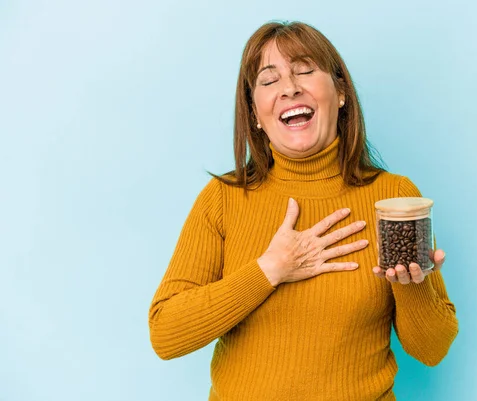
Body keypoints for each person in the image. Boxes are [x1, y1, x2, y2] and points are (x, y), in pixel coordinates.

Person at [148, 20, 458, 400]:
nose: (289, 87)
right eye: (268, 80)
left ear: (340, 91)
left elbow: (432, 350)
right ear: (255, 114)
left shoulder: (392, 197)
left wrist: (413, 285)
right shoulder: (223, 198)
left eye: (305, 70)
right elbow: (166, 334)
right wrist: (270, 269)